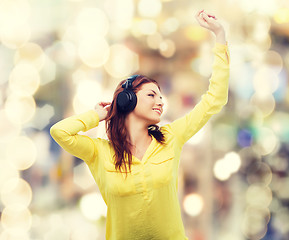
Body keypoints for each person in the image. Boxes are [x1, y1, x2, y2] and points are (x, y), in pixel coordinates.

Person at [50, 10, 230, 240]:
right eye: (151, 95)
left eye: (160, 96)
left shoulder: (171, 137)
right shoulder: (100, 152)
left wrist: (220, 36)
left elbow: (215, 100)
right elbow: (60, 132)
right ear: (128, 100)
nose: (160, 101)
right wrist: (97, 115)